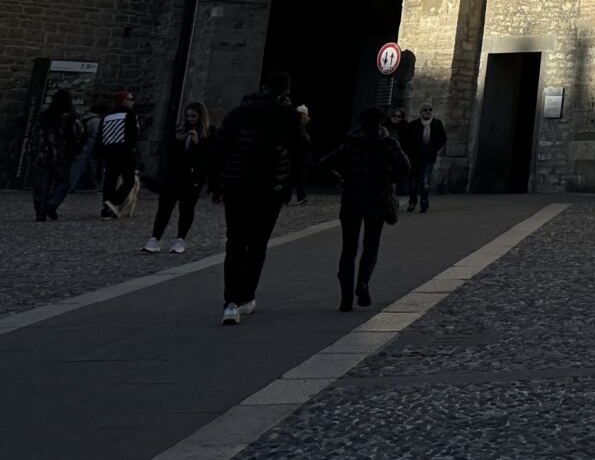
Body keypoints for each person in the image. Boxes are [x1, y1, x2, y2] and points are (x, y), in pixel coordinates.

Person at [213, 70, 311, 325]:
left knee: (235, 242)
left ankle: (230, 302)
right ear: (287, 90)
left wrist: (218, 182)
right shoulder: (286, 116)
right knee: (257, 243)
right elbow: (303, 148)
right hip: (269, 186)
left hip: (237, 185)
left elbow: (219, 146)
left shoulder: (238, 112)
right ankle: (247, 296)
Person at [317, 107, 409, 311]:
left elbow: (324, 163)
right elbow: (404, 166)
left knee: (348, 249)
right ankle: (363, 283)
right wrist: (389, 180)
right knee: (371, 245)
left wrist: (342, 176)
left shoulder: (351, 142)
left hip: (352, 197)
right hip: (376, 197)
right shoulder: (387, 142)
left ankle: (345, 298)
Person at [145, 102, 212, 255]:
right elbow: (169, 152)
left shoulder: (209, 132)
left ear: (201, 116)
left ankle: (180, 239)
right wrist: (178, 140)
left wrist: (197, 143)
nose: (190, 119)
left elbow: (208, 157)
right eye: (188, 116)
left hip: (193, 177)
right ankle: (155, 237)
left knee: (186, 209)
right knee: (164, 208)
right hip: (174, 175)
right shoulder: (180, 130)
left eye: (193, 116)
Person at [28, 88, 85, 222]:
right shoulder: (70, 117)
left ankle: (40, 212)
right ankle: (51, 204)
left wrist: (34, 151)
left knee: (43, 184)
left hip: (43, 154)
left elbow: (35, 135)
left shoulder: (44, 115)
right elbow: (78, 133)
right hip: (61, 154)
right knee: (63, 182)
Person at [95, 91, 142, 219]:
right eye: (131, 99)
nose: (133, 102)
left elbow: (100, 136)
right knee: (129, 180)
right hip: (124, 151)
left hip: (109, 151)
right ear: (124, 101)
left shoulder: (107, 116)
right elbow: (133, 134)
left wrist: (98, 153)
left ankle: (106, 208)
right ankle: (114, 201)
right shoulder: (130, 114)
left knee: (110, 180)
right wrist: (134, 150)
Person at [413, 106, 448, 211]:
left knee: (425, 179)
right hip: (416, 157)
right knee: (414, 180)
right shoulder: (415, 124)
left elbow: (443, 138)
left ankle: (424, 201)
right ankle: (412, 200)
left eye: (430, 110)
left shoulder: (437, 124)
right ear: (421, 112)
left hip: (429, 156)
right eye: (425, 110)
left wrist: (434, 148)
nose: (428, 112)